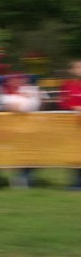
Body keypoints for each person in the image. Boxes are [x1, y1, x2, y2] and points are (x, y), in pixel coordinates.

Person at [58, 60, 81, 189]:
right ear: (72, 70)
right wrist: (74, 107)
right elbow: (63, 103)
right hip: (71, 127)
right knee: (73, 155)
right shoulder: (67, 85)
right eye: (78, 67)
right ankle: (76, 182)